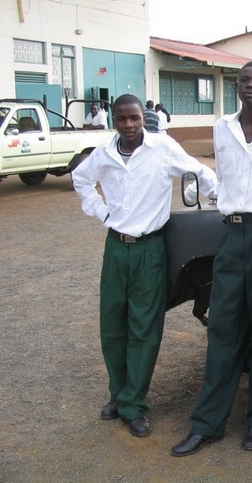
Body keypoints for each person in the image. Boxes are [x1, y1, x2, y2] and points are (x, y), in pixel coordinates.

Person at [170, 61, 252, 457]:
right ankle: (207, 423)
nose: (250, 86)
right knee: (223, 327)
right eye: (244, 80)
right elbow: (224, 180)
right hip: (231, 233)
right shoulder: (222, 127)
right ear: (237, 86)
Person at [72, 93, 218, 438]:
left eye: (134, 118)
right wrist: (101, 211)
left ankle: (133, 404)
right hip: (116, 248)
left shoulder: (162, 148)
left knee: (144, 327)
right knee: (112, 324)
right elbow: (81, 179)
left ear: (143, 118)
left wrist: (225, 201)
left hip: (150, 249)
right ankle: (119, 394)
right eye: (122, 119)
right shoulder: (104, 154)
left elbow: (199, 171)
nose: (129, 125)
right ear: (113, 120)